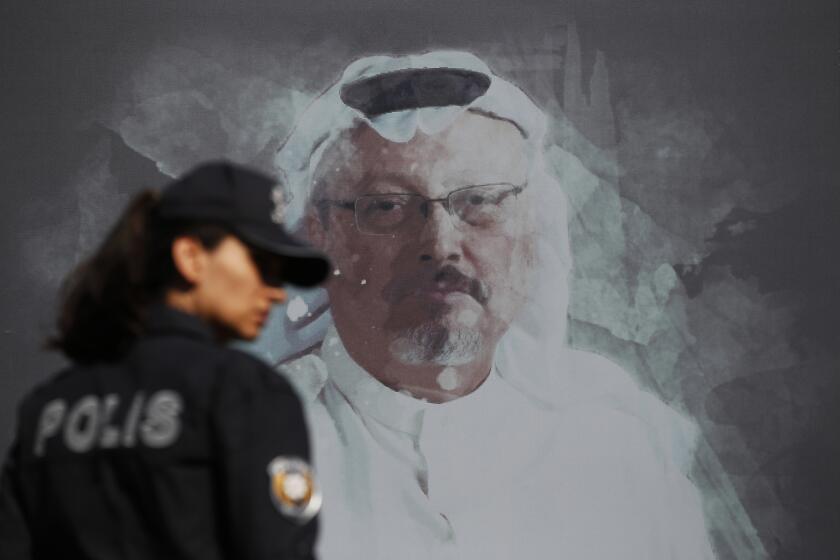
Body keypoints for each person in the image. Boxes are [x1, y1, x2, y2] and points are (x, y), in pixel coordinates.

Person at [268, 52, 718, 559]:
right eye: (388, 206)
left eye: (480, 202)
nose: (440, 244)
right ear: (321, 236)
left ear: (531, 231)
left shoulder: (618, 454)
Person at [0, 161, 330, 559]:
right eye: (261, 265)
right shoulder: (243, 392)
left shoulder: (48, 408)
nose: (276, 292)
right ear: (191, 257)